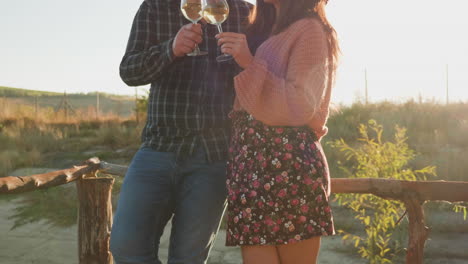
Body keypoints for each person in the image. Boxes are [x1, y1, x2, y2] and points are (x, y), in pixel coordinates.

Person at [109, 0, 251, 263]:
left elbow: (260, 77)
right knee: (126, 247)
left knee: (188, 259)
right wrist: (170, 50)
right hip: (158, 147)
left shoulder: (244, 11)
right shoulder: (155, 6)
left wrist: (245, 60)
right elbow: (129, 71)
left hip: (214, 155)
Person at [216, 0, 340, 263]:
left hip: (289, 168)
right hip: (250, 167)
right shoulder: (266, 28)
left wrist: (248, 62)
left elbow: (301, 105)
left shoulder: (310, 29)